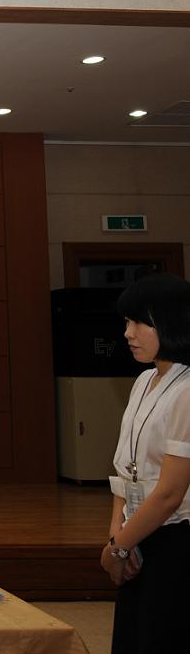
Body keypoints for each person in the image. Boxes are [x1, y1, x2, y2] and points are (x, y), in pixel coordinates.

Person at [102, 273, 190, 654]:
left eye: (139, 322)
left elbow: (170, 493)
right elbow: (126, 472)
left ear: (171, 322)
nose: (128, 333)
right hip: (138, 534)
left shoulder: (188, 390)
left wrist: (119, 548)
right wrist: (117, 538)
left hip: (177, 541)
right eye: (126, 322)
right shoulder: (144, 380)